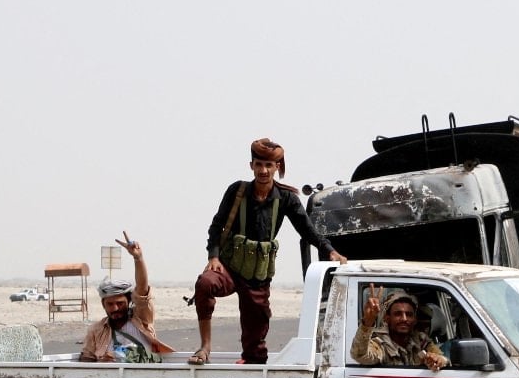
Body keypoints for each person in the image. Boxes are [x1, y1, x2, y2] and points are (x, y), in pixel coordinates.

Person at [189, 138, 345, 365]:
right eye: (259, 164)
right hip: (229, 266)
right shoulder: (237, 191)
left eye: (269, 165)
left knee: (256, 345)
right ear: (251, 165)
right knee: (205, 284)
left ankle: (251, 364)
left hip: (257, 276)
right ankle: (204, 348)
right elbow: (216, 225)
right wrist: (213, 256)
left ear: (277, 167)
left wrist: (330, 250)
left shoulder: (286, 198)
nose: (263, 170)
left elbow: (307, 230)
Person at [80, 232, 175, 362]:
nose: (115, 308)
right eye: (110, 304)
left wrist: (138, 258)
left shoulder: (141, 319)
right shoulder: (96, 330)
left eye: (120, 303)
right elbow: (87, 359)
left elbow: (142, 290)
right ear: (103, 305)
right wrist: (102, 364)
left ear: (129, 301)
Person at [350, 285, 449, 371]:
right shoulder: (381, 343)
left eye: (409, 314)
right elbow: (360, 355)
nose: (404, 319)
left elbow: (443, 359)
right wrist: (367, 323)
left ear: (414, 320)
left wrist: (438, 360)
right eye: (398, 314)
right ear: (387, 318)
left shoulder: (421, 340)